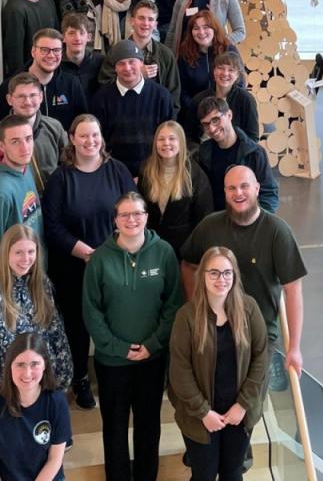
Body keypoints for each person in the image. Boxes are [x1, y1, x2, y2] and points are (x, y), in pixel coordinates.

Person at [82, 191, 181, 481]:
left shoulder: (163, 252)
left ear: (146, 217)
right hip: (113, 362)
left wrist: (152, 345)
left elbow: (173, 305)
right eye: (124, 214)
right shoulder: (99, 259)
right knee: (114, 429)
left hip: (152, 359)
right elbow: (91, 312)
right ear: (115, 220)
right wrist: (118, 348)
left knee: (149, 427)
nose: (131, 220)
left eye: (137, 213)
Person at [180, 166, 306, 386]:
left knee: (251, 398)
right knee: (215, 393)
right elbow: (188, 264)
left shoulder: (277, 232)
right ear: (225, 192)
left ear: (257, 188)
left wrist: (294, 348)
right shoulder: (209, 227)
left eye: (244, 186)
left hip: (259, 335)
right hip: (215, 332)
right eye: (231, 188)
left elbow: (293, 290)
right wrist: (195, 304)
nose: (238, 193)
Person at [42, 114, 135, 410]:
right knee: (78, 325)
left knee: (118, 319)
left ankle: (119, 374)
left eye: (95, 135)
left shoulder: (117, 170)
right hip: (73, 267)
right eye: (83, 135)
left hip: (116, 261)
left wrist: (111, 250)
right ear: (72, 139)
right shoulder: (60, 179)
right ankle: (80, 378)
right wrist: (86, 253)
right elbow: (52, 226)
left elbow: (132, 211)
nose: (90, 141)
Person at [169, 245, 268, 481]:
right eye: (213, 273)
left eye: (227, 273)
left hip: (239, 414)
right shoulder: (187, 316)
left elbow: (261, 358)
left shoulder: (249, 309)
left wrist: (242, 405)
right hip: (199, 416)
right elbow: (180, 372)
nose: (221, 279)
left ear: (235, 276)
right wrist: (203, 412)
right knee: (203, 475)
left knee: (232, 473)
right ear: (202, 275)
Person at [0, 225, 72, 407]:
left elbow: (57, 335)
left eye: (31, 252)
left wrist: (62, 384)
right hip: (8, 395)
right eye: (18, 252)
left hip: (44, 387)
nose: (26, 259)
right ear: (6, 254)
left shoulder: (42, 285)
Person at [0, 333, 72, 481]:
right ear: (9, 366)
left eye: (34, 364)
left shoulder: (57, 402)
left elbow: (54, 460)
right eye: (20, 365)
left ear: (45, 365)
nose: (27, 373)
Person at [91, 39, 176, 175]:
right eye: (121, 63)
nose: (127, 68)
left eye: (132, 62)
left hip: (154, 172)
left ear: (141, 63)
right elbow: (99, 142)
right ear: (114, 68)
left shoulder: (161, 96)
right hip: (114, 172)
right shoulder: (101, 98)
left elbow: (170, 137)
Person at [0, 115, 43, 284]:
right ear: (1, 146)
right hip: (13, 286)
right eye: (15, 142)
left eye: (28, 139)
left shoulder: (25, 168)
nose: (25, 148)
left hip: (34, 275)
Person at [137, 121, 213, 257]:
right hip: (152, 246)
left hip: (183, 250)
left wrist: (193, 252)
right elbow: (141, 208)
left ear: (181, 142)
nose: (166, 143)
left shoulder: (195, 174)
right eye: (161, 139)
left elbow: (204, 217)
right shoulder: (146, 170)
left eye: (172, 138)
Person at [0, 29, 87, 133]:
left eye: (56, 50)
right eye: (45, 50)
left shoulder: (71, 84)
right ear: (33, 52)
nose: (51, 55)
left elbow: (82, 123)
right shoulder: (11, 86)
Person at [98, 0, 181, 113]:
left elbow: (174, 95)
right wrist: (137, 75)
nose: (146, 23)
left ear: (155, 24)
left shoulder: (166, 55)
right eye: (141, 18)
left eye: (150, 19)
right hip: (122, 113)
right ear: (132, 21)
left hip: (156, 117)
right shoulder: (116, 51)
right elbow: (104, 85)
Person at [0, 72, 67, 190]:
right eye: (21, 96)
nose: (28, 102)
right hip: (22, 197)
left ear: (41, 97)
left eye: (33, 95)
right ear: (9, 100)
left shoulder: (55, 127)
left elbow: (68, 163)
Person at [196, 97, 277, 212]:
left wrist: (259, 220)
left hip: (247, 217)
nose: (212, 129)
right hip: (216, 218)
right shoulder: (204, 152)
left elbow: (268, 194)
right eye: (206, 124)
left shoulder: (255, 153)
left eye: (216, 120)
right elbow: (202, 194)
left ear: (229, 115)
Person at [177, 11, 239, 132]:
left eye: (206, 27)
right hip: (198, 117)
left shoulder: (228, 49)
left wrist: (226, 110)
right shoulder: (185, 54)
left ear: (214, 28)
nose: (201, 32)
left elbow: (239, 80)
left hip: (228, 116)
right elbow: (182, 89)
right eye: (196, 28)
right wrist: (197, 109)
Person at [1, 0, 59, 77]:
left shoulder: (48, 0)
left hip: (50, 67)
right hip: (28, 75)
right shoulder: (16, 9)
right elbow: (14, 53)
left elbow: (56, 35)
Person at [188, 52, 258, 145]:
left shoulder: (246, 99)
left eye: (231, 70)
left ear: (237, 75)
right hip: (203, 150)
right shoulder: (199, 99)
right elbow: (189, 135)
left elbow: (253, 138)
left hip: (235, 152)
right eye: (220, 68)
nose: (225, 73)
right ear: (214, 71)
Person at [60, 12, 104, 100]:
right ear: (63, 37)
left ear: (89, 37)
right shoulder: (56, 64)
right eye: (71, 33)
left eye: (81, 33)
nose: (77, 38)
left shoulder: (100, 62)